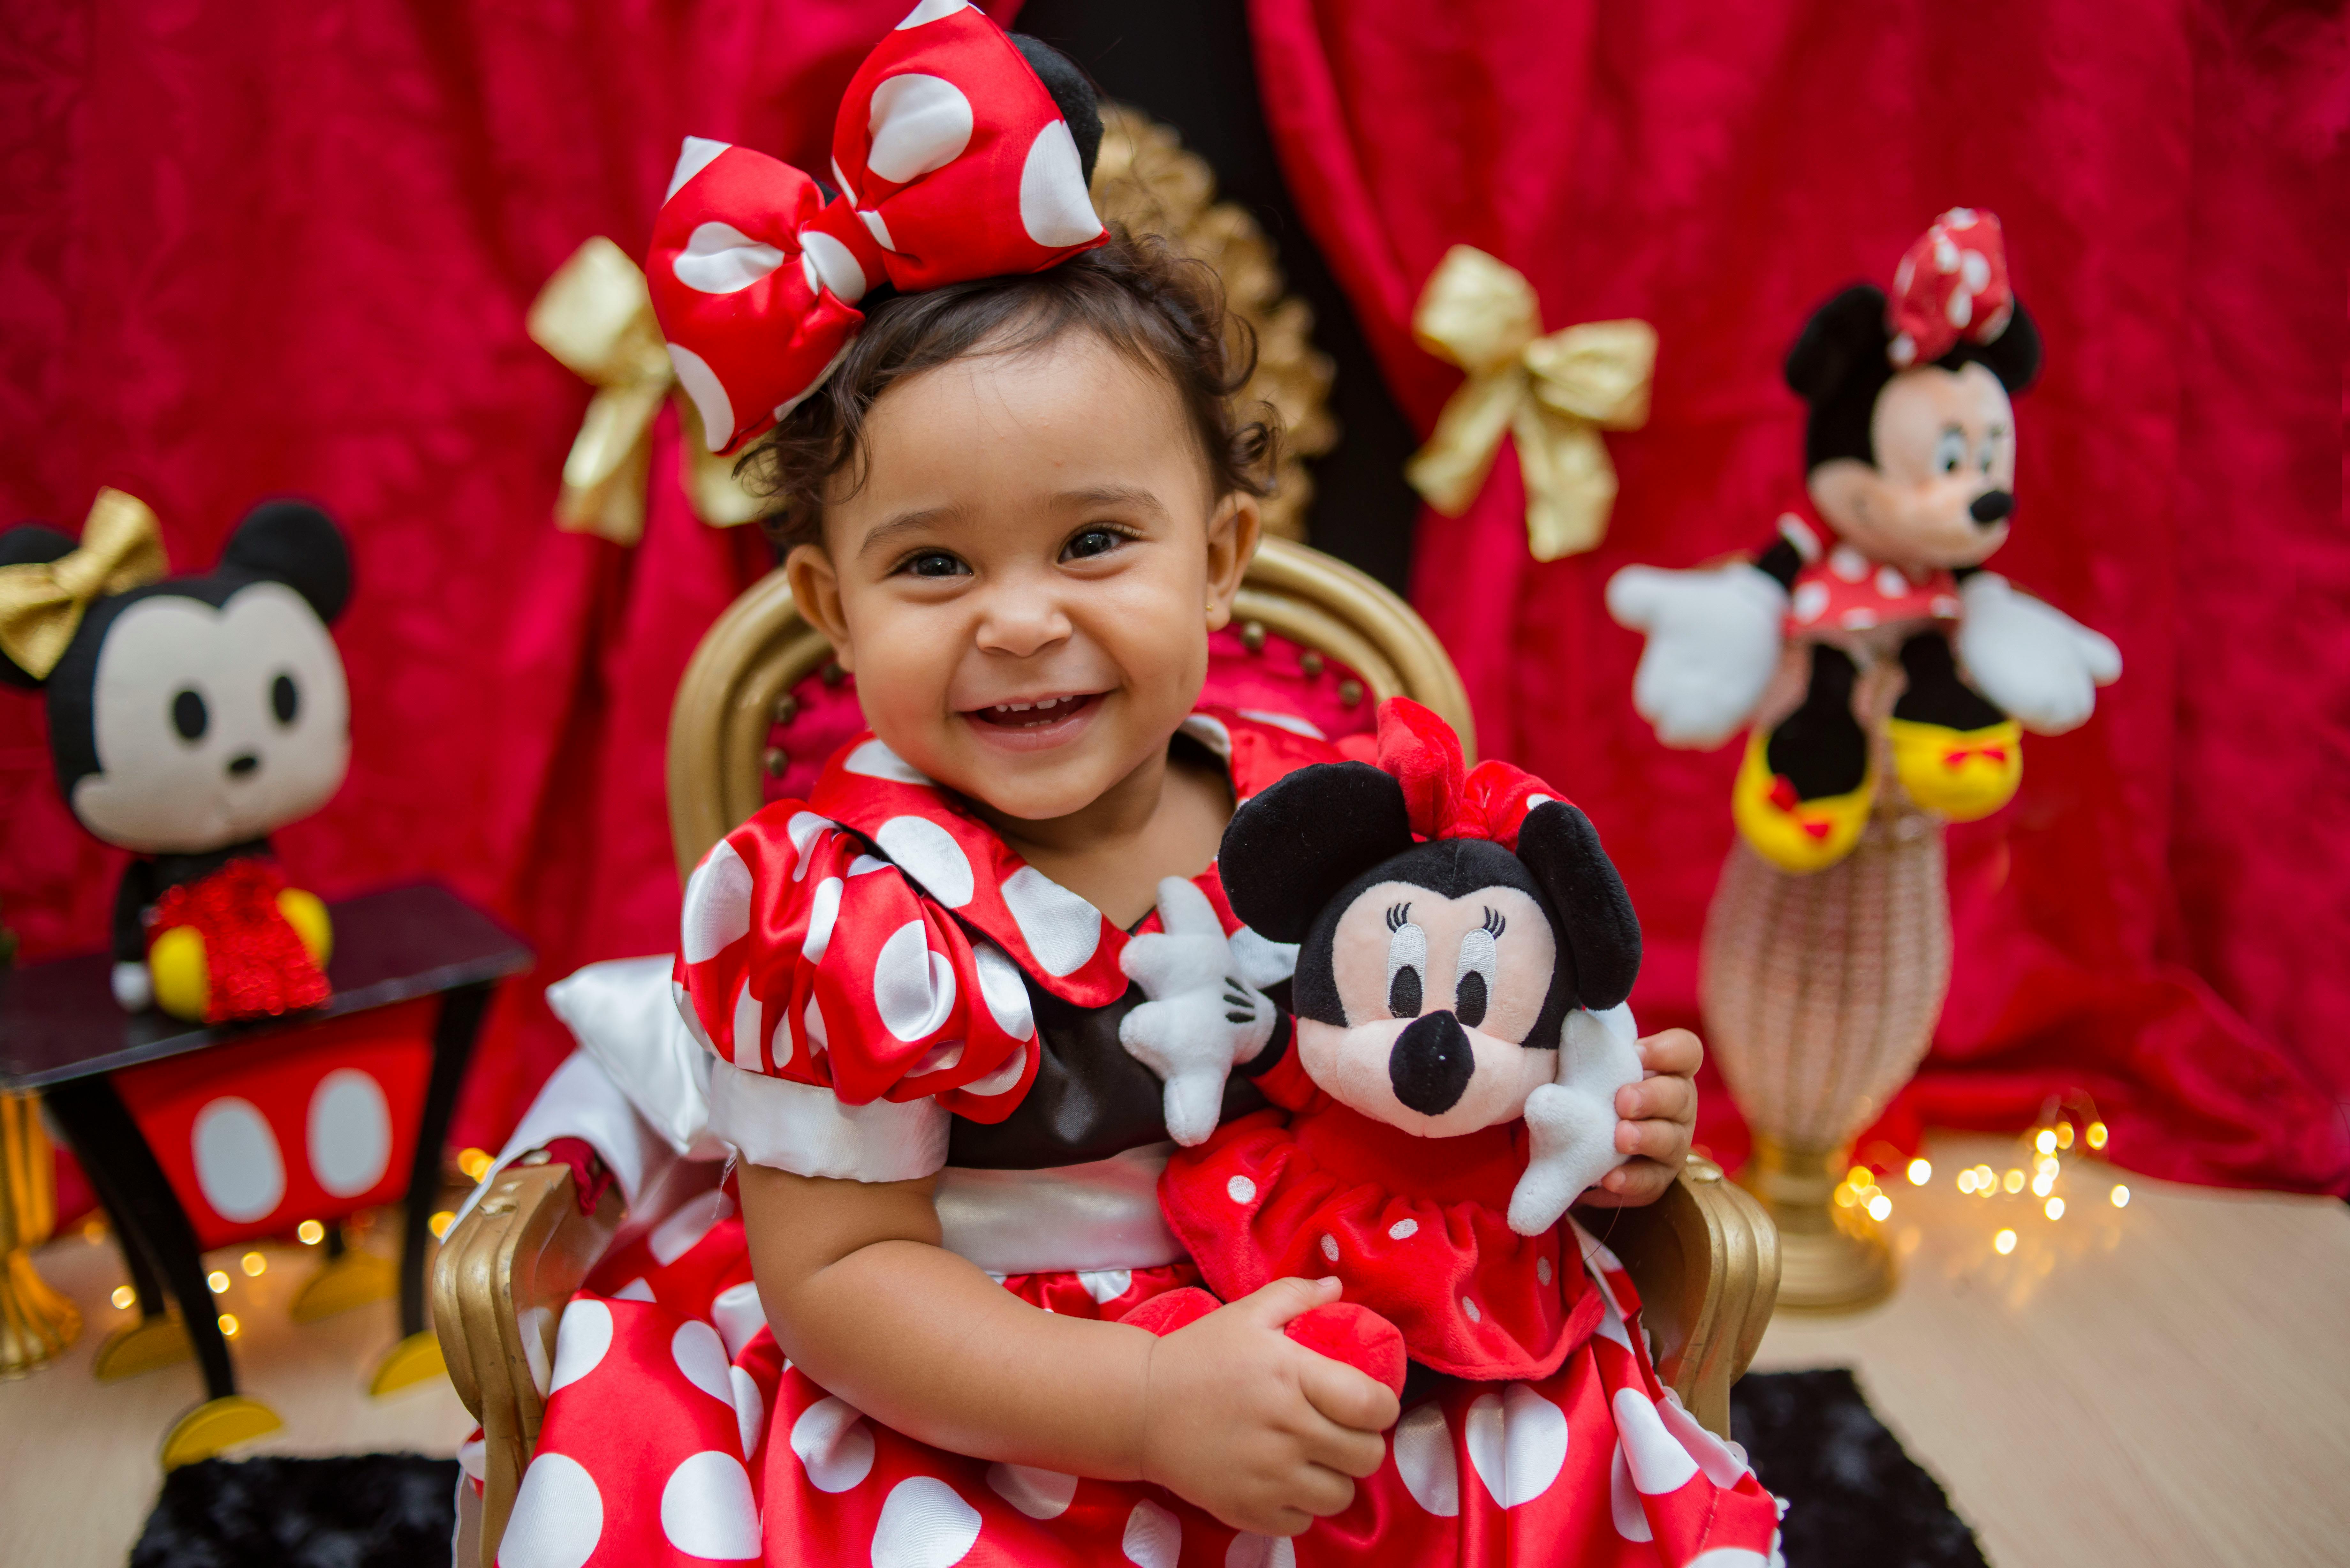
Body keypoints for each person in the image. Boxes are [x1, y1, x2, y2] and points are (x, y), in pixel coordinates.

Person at [491, 9, 1782, 1564]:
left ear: (1221, 558)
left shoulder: (1345, 815)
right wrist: (1146, 1401)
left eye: (1095, 541)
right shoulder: (837, 910)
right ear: (831, 613)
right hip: (989, 1393)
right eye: (932, 565)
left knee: (1539, 1449)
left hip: (1352, 1338)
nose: (1020, 616)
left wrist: (1587, 1119)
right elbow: (837, 1286)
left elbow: (1448, 1056)